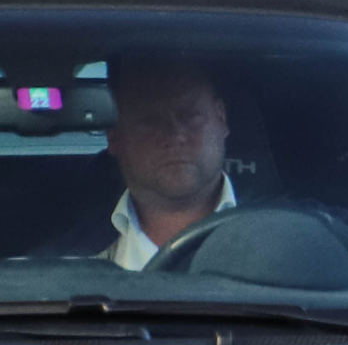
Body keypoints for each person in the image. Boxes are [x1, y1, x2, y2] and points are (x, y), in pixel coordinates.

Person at [42, 59, 238, 267]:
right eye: (150, 121)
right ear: (114, 137)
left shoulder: (275, 240)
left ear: (221, 118)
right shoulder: (64, 267)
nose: (174, 134)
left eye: (190, 116)